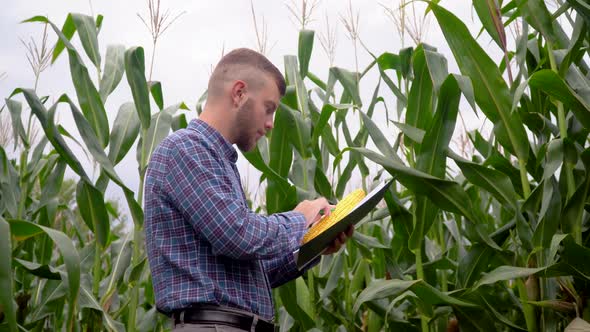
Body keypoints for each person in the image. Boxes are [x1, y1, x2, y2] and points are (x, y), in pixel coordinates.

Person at [144, 48, 354, 332]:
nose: (270, 124)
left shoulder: (217, 161)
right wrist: (300, 217)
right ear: (239, 93)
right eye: (268, 108)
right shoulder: (184, 150)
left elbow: (245, 273)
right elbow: (237, 235)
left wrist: (313, 244)